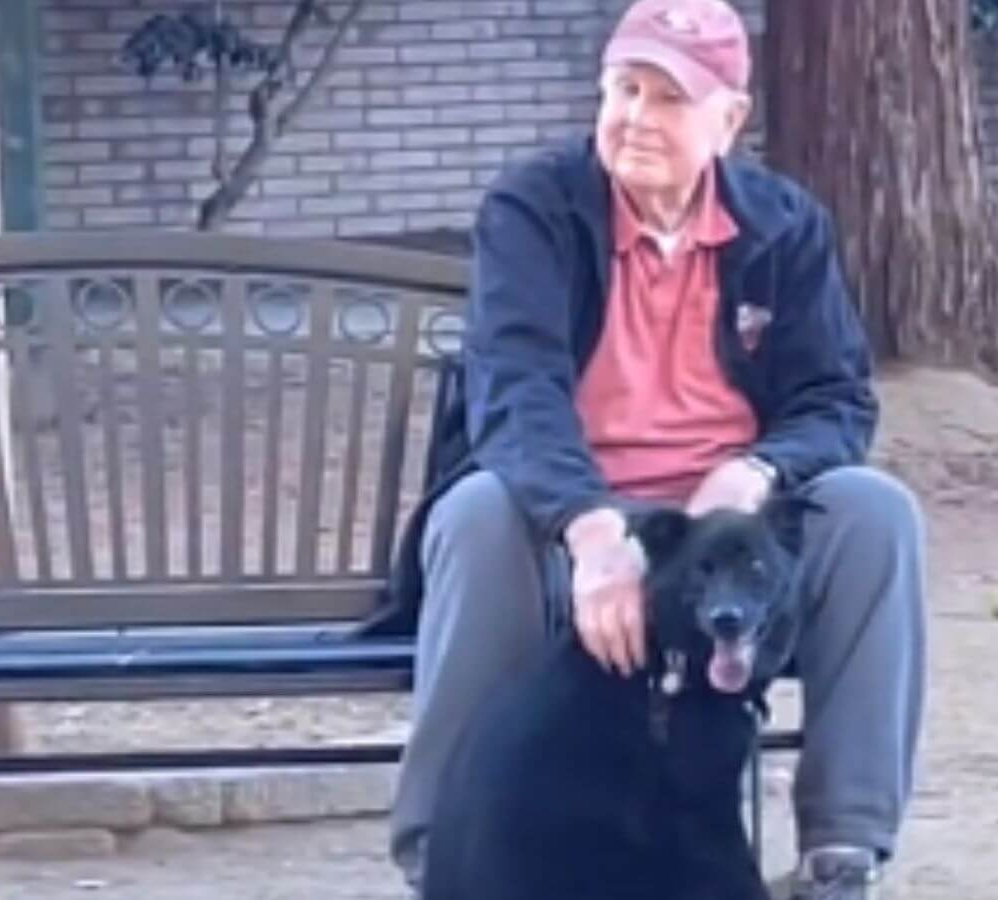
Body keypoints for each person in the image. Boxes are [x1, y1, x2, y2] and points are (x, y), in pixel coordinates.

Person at [386, 1, 927, 897]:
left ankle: (845, 846)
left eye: (668, 98)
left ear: (729, 119)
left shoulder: (783, 227)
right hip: (563, 503)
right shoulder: (535, 207)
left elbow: (835, 398)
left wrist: (753, 473)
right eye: (623, 88)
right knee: (475, 516)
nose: (635, 117)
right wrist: (592, 531)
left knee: (877, 515)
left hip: (724, 528)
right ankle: (442, 844)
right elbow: (514, 391)